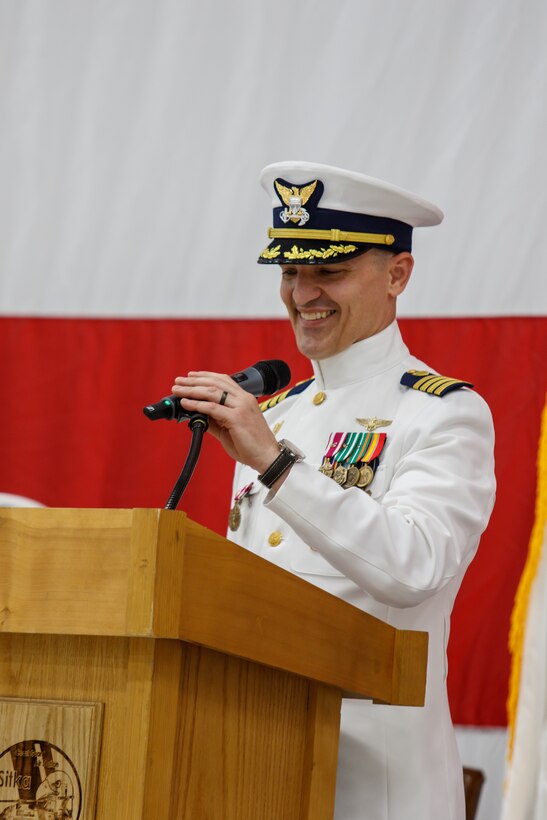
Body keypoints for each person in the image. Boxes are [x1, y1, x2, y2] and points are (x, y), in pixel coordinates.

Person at [171, 161, 496, 820]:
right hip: (253, 757)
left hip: (371, 783)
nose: (302, 295)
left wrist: (274, 462)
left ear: (397, 275)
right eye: (291, 273)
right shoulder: (282, 412)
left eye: (329, 272)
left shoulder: (441, 412)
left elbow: (415, 565)